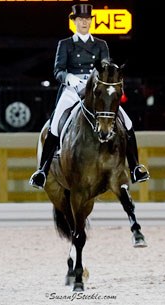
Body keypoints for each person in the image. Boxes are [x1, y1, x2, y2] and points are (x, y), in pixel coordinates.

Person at [29, 4, 149, 189]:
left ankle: (135, 168)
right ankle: (43, 171)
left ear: (91, 22)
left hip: (95, 89)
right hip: (72, 88)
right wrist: (68, 78)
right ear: (74, 22)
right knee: (55, 123)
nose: (84, 23)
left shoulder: (101, 45)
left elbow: (106, 68)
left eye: (87, 20)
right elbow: (58, 70)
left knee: (128, 122)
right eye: (80, 20)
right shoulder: (65, 44)